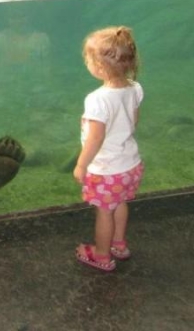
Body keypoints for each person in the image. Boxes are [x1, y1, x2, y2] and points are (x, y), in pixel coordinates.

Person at [73, 26, 144, 272]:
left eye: (88, 59)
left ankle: (102, 255)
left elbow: (96, 138)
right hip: (130, 164)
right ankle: (119, 245)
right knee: (120, 202)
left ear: (100, 67)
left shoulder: (98, 99)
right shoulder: (134, 88)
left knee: (104, 211)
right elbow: (133, 121)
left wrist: (81, 164)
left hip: (106, 170)